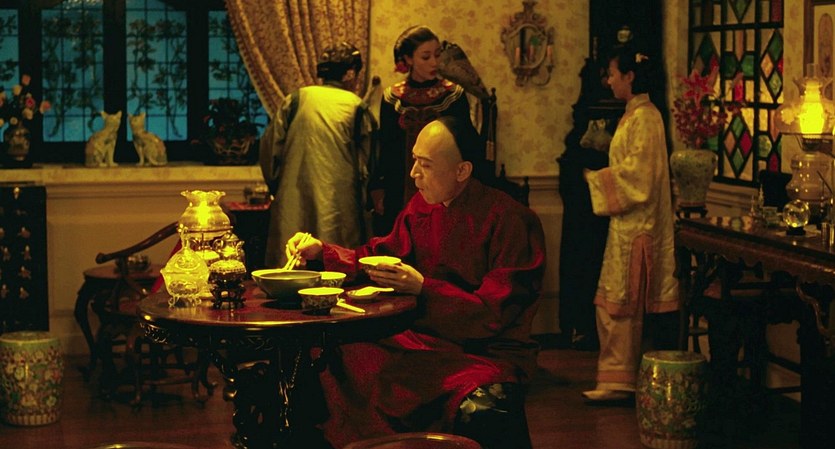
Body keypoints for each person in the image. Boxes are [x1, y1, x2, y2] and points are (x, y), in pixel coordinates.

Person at [286, 116, 546, 449]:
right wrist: (321, 252)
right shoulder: (421, 208)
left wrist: (423, 288)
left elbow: (494, 313)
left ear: (462, 170)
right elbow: (377, 256)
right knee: (329, 351)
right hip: (421, 340)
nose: (413, 174)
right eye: (414, 161)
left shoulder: (511, 220)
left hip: (484, 351)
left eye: (425, 164)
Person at [581, 46, 680, 402]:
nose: (609, 81)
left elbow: (640, 175)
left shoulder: (646, 118)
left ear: (630, 76)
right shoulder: (633, 116)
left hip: (638, 226)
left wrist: (597, 180)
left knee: (622, 303)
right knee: (613, 302)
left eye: (612, 74)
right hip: (625, 225)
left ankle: (620, 381)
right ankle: (615, 378)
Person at [259, 41, 378, 268]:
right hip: (339, 207)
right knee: (335, 267)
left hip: (292, 201)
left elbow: (270, 149)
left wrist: (279, 188)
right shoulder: (355, 106)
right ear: (350, 73)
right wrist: (364, 203)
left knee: (289, 267)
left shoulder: (296, 99)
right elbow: (368, 164)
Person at [368, 25, 474, 236]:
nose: (434, 62)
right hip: (400, 184)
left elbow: (467, 147)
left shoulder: (453, 95)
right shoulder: (392, 98)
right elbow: (385, 147)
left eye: (437, 54)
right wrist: (378, 188)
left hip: (444, 184)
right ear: (408, 59)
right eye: (426, 57)